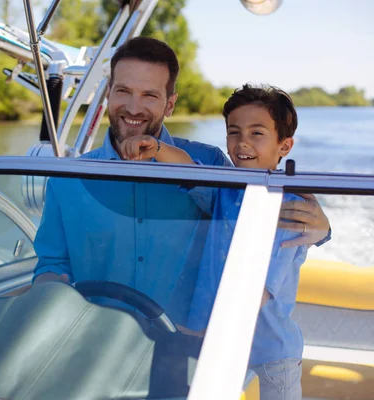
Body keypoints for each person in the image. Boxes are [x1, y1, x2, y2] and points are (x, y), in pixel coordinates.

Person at [32, 37, 330, 324]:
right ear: (108, 93)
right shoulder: (66, 179)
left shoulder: (211, 164)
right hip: (98, 347)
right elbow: (51, 265)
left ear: (170, 104)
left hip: (188, 348)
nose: (134, 108)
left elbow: (253, 212)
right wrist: (49, 288)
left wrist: (322, 228)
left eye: (149, 95)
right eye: (123, 91)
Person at [121, 84, 307, 399]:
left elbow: (260, 289)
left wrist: (213, 332)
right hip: (211, 337)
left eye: (257, 133)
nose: (242, 143)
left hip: (269, 345)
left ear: (284, 146)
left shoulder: (290, 207)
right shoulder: (224, 187)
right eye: (234, 133)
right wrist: (155, 147)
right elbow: (188, 168)